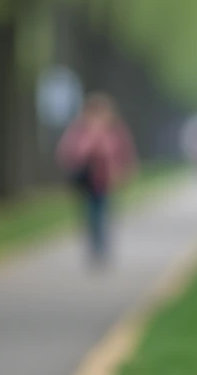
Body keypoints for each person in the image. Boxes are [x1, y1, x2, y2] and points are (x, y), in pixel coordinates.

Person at [56, 92, 136, 265]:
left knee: (103, 210)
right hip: (86, 178)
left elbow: (125, 151)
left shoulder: (115, 128)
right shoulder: (79, 129)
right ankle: (94, 244)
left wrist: (124, 171)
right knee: (90, 212)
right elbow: (68, 151)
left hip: (106, 179)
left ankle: (101, 245)